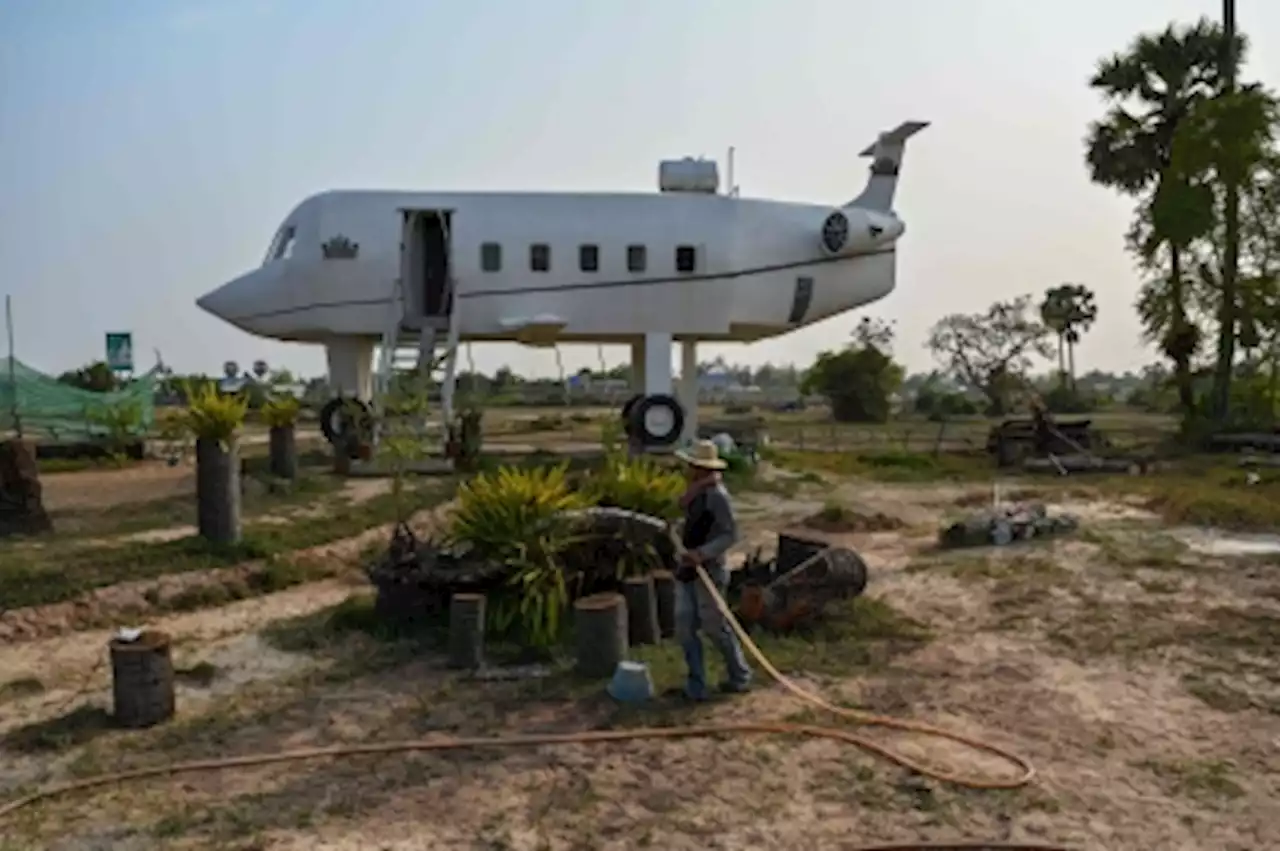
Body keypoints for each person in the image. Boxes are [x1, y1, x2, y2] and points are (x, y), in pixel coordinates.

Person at [671, 439, 752, 701]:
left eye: (692, 465)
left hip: (709, 572)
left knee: (715, 627)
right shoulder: (694, 493)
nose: (688, 469)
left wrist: (702, 553)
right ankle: (696, 686)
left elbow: (730, 534)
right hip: (687, 571)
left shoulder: (718, 496)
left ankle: (740, 676)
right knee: (685, 626)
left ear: (700, 468)